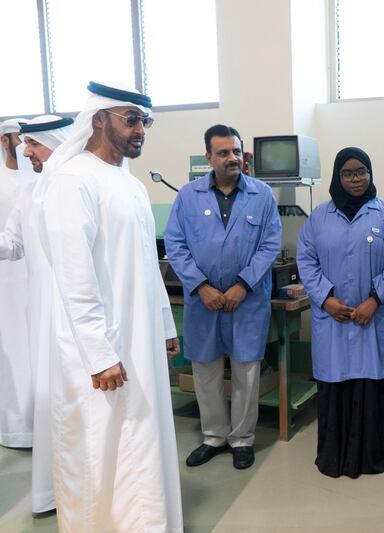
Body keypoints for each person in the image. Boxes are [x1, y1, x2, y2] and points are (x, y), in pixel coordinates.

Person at [36, 81, 183, 532]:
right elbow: (74, 277)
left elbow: (147, 263)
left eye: (145, 121)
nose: (140, 130)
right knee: (100, 448)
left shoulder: (131, 184)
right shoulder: (72, 180)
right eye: (131, 119)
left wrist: (164, 326)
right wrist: (99, 355)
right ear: (99, 118)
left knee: (142, 437)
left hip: (138, 340)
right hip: (98, 348)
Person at [165, 124, 282, 470]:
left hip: (246, 300)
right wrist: (201, 286)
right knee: (206, 369)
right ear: (209, 158)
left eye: (236, 152)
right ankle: (214, 436)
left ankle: (242, 439)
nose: (231, 158)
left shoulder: (262, 196)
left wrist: (242, 285)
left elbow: (270, 245)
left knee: (246, 370)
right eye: (223, 153)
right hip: (204, 301)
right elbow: (175, 244)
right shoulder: (188, 197)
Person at [296, 147, 384, 478]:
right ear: (337, 177)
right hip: (332, 320)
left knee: (370, 385)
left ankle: (370, 458)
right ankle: (334, 457)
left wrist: (374, 299)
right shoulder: (318, 217)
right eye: (348, 173)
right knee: (336, 384)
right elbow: (306, 260)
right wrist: (325, 299)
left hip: (371, 320)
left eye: (362, 171)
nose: (356, 178)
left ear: (370, 173)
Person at [0, 115, 73, 515]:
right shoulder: (31, 193)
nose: (26, 153)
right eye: (24, 144)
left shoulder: (80, 188)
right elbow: (12, 244)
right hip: (43, 322)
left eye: (34, 145)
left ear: (57, 144)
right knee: (52, 407)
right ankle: (54, 492)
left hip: (78, 324)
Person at [0, 118, 31, 450]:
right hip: (6, 286)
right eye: (17, 138)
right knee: (13, 356)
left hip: (38, 284)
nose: (24, 145)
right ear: (3, 141)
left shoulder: (39, 179)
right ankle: (14, 429)